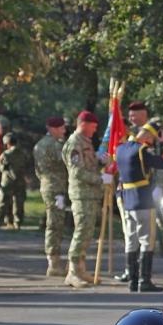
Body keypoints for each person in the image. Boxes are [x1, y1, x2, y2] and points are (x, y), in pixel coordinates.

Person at [116, 120, 163, 292]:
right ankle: (144, 281)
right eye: (152, 137)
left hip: (127, 201)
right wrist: (162, 144)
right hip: (143, 199)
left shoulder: (120, 148)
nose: (152, 141)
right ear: (147, 135)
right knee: (146, 240)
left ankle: (132, 280)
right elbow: (162, 163)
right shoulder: (141, 150)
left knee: (131, 240)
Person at [62, 110, 109, 289]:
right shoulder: (74, 143)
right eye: (93, 126)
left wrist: (100, 162)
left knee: (87, 232)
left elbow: (88, 165)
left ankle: (80, 268)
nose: (95, 129)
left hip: (90, 194)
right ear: (83, 124)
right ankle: (72, 272)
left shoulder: (85, 142)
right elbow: (77, 171)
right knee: (81, 231)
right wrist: (100, 179)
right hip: (81, 194)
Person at [33, 116, 69, 276]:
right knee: (55, 224)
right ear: (53, 129)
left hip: (47, 186)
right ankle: (54, 262)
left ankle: (54, 259)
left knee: (54, 222)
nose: (64, 130)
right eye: (61, 128)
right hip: (56, 189)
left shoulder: (39, 145)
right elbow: (68, 162)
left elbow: (37, 170)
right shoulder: (55, 145)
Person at [0, 133, 27, 230]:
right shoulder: (22, 154)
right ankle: (18, 223)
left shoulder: (5, 154)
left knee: (2, 202)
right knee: (19, 202)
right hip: (20, 181)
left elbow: (2, 168)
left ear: (7, 143)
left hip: (7, 181)